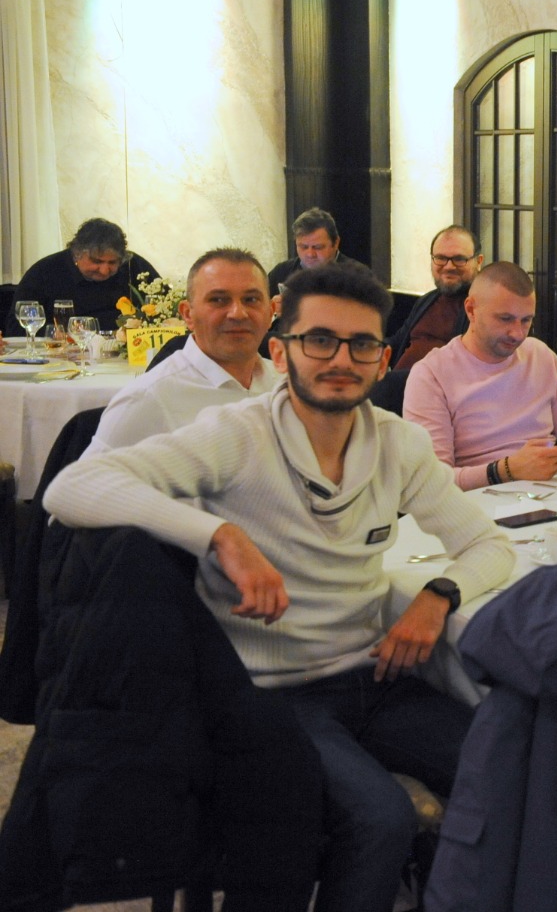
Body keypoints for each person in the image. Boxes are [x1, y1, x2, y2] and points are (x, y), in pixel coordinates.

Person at [43, 263, 514, 912]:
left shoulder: (398, 444)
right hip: (272, 694)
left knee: (511, 767)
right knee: (379, 817)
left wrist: (439, 595)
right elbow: (72, 488)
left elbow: (489, 545)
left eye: (362, 344)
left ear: (383, 360)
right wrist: (219, 535)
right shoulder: (236, 435)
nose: (341, 360)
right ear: (282, 350)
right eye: (319, 340)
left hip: (374, 679)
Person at [404, 261, 557, 487]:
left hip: (552, 493)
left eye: (526, 320)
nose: (517, 334)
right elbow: (431, 483)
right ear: (471, 310)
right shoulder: (431, 375)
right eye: (505, 319)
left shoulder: (542, 357)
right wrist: (506, 470)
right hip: (478, 501)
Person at [87, 248, 279, 455]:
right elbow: (89, 476)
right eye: (218, 300)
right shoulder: (147, 400)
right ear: (187, 315)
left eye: (251, 300)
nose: (238, 313)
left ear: (270, 313)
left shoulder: (287, 384)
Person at [6, 218, 160, 336]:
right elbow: (16, 327)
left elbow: (165, 309)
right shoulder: (45, 272)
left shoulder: (134, 267)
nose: (104, 270)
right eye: (96, 261)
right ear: (77, 253)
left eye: (113, 262)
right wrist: (53, 333)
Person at [389, 224, 482, 370]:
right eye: (440, 258)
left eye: (459, 259)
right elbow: (397, 342)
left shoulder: (482, 308)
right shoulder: (426, 301)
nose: (449, 266)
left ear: (479, 262)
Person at [266, 206, 371, 294]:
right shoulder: (281, 273)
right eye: (303, 247)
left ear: (336, 243)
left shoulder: (359, 277)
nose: (310, 254)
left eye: (318, 247)